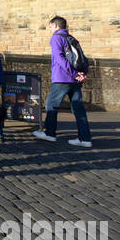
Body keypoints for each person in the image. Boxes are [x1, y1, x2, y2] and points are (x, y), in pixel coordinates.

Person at [35, 16, 93, 147]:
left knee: (50, 104)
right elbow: (83, 58)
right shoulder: (72, 38)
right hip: (75, 80)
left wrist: (73, 74)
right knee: (78, 109)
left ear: (55, 26)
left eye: (50, 26)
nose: (50, 29)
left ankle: (50, 134)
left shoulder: (56, 38)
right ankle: (85, 139)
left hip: (62, 78)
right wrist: (82, 74)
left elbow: (60, 58)